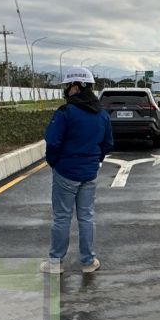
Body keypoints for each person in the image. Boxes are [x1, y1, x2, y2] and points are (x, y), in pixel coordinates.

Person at [41, 67, 113, 274]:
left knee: (62, 217)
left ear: (77, 86)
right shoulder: (101, 114)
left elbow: (52, 142)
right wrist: (94, 161)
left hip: (65, 171)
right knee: (86, 216)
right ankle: (88, 261)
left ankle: (56, 263)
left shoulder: (65, 112)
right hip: (89, 172)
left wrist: (54, 163)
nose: (65, 89)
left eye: (67, 85)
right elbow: (107, 144)